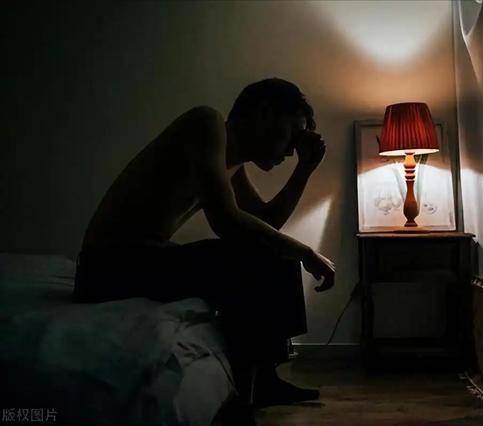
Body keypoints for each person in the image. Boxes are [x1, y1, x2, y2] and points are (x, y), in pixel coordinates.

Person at [73, 78, 336, 418]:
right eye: (292, 134)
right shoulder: (205, 123)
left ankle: (264, 378)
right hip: (107, 267)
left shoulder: (230, 159)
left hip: (138, 258)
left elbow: (266, 223)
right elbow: (226, 222)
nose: (290, 151)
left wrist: (304, 170)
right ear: (264, 113)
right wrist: (305, 252)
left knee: (268, 248)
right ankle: (242, 401)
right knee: (257, 256)